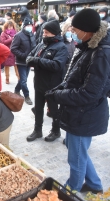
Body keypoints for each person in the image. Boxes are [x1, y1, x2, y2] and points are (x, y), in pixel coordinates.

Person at [45, 9, 110, 193]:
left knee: (76, 158)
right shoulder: (89, 45)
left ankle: (71, 190)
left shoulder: (101, 53)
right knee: (79, 153)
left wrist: (58, 96)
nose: (72, 32)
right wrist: (61, 87)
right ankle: (95, 185)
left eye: (75, 29)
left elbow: (89, 93)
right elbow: (76, 75)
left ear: (87, 30)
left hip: (85, 114)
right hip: (80, 112)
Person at [26, 20, 68, 142]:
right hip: (39, 82)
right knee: (38, 108)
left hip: (52, 85)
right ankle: (37, 130)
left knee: (53, 110)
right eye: (44, 31)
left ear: (54, 33)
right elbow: (29, 57)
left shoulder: (61, 47)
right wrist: (36, 61)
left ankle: (56, 131)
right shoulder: (42, 44)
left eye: (47, 32)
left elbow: (57, 65)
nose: (44, 34)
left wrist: (38, 61)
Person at [10, 18, 36, 104]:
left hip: (29, 61)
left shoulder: (32, 34)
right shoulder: (18, 35)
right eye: (28, 26)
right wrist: (22, 55)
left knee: (22, 79)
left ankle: (17, 89)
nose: (30, 27)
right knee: (24, 80)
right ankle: (27, 96)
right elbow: (13, 48)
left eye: (31, 25)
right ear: (24, 26)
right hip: (21, 61)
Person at [0, 20, 17, 84]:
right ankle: (7, 78)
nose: (10, 28)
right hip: (7, 51)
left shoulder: (16, 33)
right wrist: (11, 39)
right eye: (8, 27)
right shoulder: (3, 33)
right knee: (7, 65)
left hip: (15, 50)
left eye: (11, 27)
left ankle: (19, 77)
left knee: (16, 65)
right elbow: (3, 42)